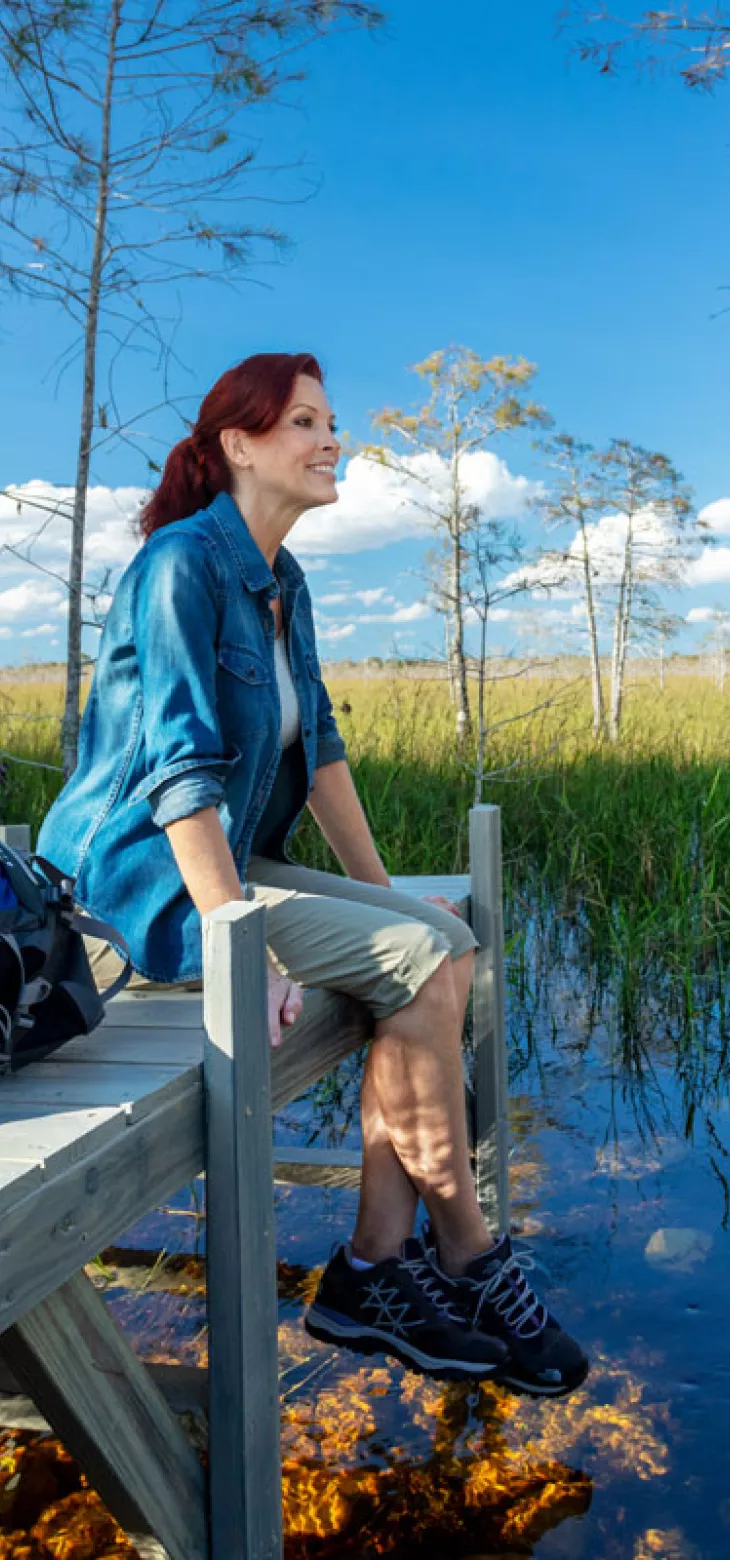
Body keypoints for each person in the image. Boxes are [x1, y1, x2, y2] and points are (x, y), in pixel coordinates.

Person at [37, 352, 588, 1398]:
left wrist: (380, 893)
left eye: (330, 420)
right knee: (425, 967)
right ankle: (453, 1257)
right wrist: (232, 938)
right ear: (237, 444)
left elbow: (320, 752)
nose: (332, 439)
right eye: (303, 421)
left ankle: (377, 1269)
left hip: (228, 857)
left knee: (440, 945)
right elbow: (179, 772)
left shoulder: (283, 581)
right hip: (137, 885)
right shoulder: (179, 567)